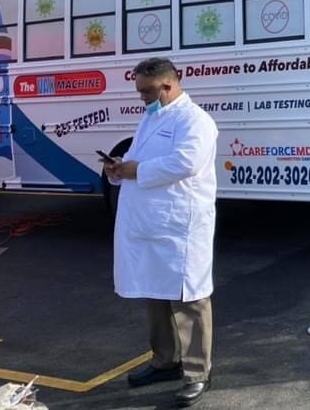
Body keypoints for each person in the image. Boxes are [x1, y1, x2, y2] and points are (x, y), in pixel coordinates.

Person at [102, 58, 218, 408]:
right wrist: (118, 169)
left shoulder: (194, 120)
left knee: (189, 299)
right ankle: (164, 361)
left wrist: (137, 169)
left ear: (167, 85)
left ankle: (198, 373)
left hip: (180, 226)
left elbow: (186, 163)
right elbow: (136, 160)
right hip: (149, 225)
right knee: (155, 294)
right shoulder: (151, 117)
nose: (142, 98)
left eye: (146, 91)